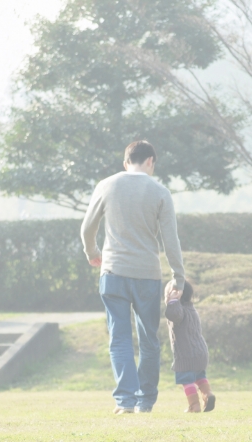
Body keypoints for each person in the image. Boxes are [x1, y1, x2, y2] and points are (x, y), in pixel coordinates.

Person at [80, 140, 185, 414]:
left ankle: (124, 401)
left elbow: (87, 228)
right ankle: (145, 401)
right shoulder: (160, 191)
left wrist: (92, 252)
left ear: (126, 162)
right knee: (149, 339)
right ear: (151, 161)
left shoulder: (107, 185)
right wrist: (179, 277)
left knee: (120, 337)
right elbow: (170, 241)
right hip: (147, 276)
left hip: (113, 272)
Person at [164, 279, 216, 413]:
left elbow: (172, 314)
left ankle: (194, 405)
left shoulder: (178, 310)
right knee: (199, 377)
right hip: (200, 352)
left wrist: (173, 301)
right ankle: (208, 394)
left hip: (186, 355)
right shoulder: (191, 309)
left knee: (186, 380)